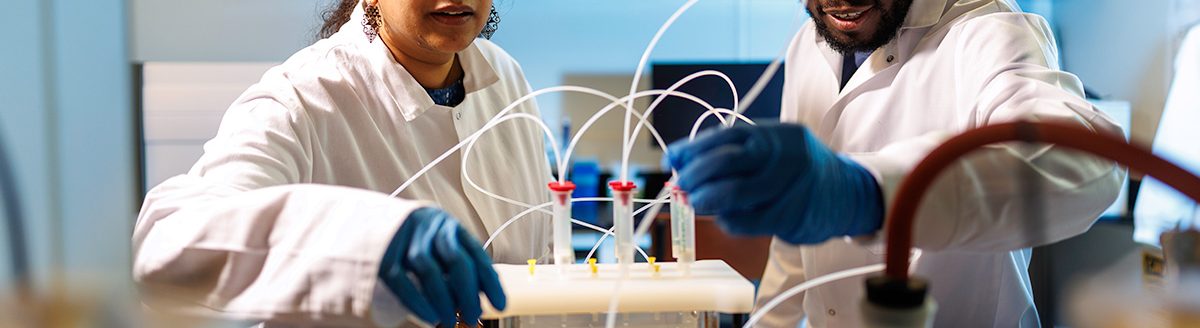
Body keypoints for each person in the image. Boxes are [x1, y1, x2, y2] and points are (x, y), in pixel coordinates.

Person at [663, 0, 1125, 327]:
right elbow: (795, 249)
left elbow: (1086, 161)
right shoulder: (809, 42)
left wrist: (867, 191)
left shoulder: (991, 30)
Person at [131, 0, 553, 326]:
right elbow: (167, 242)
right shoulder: (301, 99)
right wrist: (372, 239)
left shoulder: (505, 75)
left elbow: (545, 249)